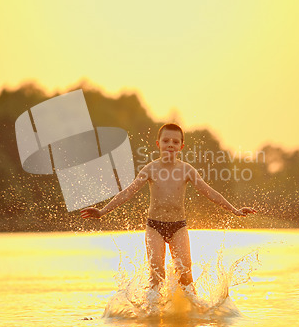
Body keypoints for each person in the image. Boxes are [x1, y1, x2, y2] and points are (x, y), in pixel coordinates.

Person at [80, 123, 257, 310]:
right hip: (154, 227)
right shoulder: (150, 169)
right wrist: (102, 211)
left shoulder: (187, 170)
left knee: (186, 275)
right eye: (166, 141)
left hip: (178, 227)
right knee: (157, 273)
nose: (170, 144)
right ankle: (153, 310)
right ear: (158, 144)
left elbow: (210, 192)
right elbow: (127, 193)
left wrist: (234, 210)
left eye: (175, 141)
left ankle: (194, 311)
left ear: (181, 146)